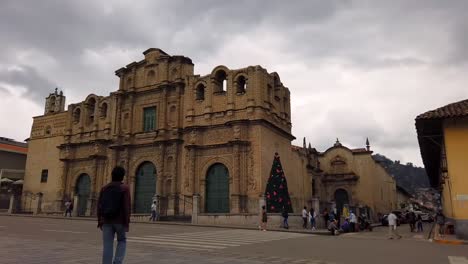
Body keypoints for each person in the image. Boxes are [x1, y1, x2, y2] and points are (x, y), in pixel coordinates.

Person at [97, 166, 131, 264]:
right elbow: (127, 207)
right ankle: (117, 261)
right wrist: (127, 223)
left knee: (107, 245)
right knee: (122, 241)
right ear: (122, 176)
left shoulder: (104, 188)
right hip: (119, 221)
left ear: (112, 175)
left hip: (106, 221)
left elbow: (99, 206)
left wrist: (100, 221)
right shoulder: (124, 188)